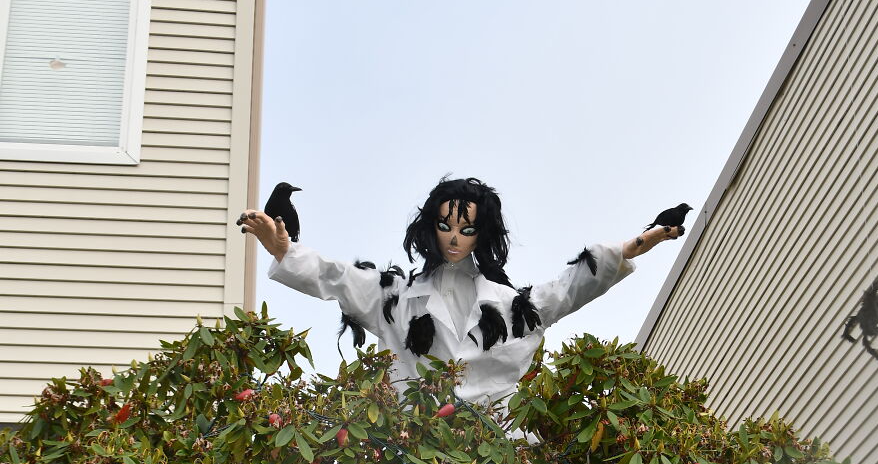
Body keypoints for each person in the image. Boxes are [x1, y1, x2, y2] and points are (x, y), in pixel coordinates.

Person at [238, 176, 682, 409]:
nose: (454, 238)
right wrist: (285, 250)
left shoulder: (514, 309)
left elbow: (571, 286)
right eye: (445, 226)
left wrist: (638, 243)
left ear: (481, 233)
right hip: (416, 461)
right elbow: (337, 277)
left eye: (467, 229)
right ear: (431, 227)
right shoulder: (393, 301)